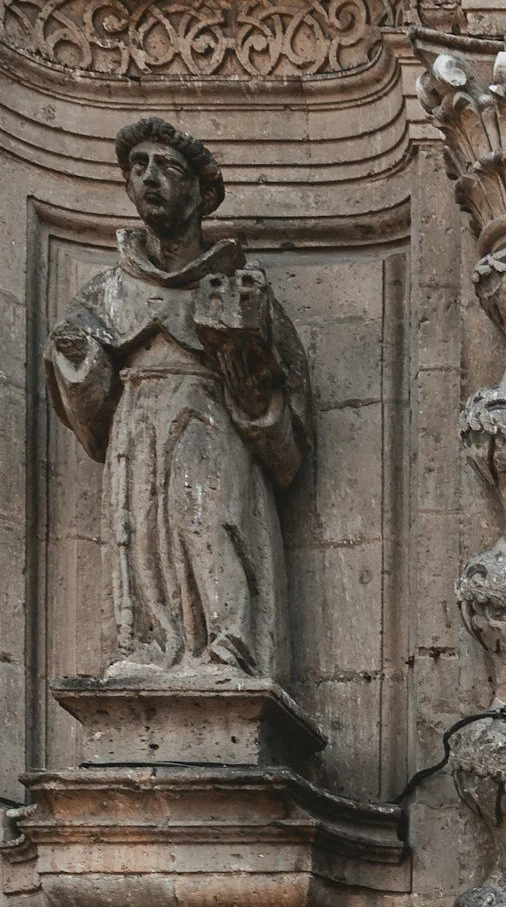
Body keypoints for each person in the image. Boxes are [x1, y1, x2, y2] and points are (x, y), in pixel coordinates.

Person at [45, 116, 313, 684]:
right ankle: (150, 645)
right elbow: (83, 398)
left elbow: (286, 420)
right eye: (137, 168)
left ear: (202, 192)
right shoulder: (106, 292)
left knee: (210, 520)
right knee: (139, 528)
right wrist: (78, 361)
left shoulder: (240, 287)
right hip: (137, 425)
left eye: (165, 168)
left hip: (209, 424)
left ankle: (229, 645)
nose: (148, 179)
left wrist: (247, 367)